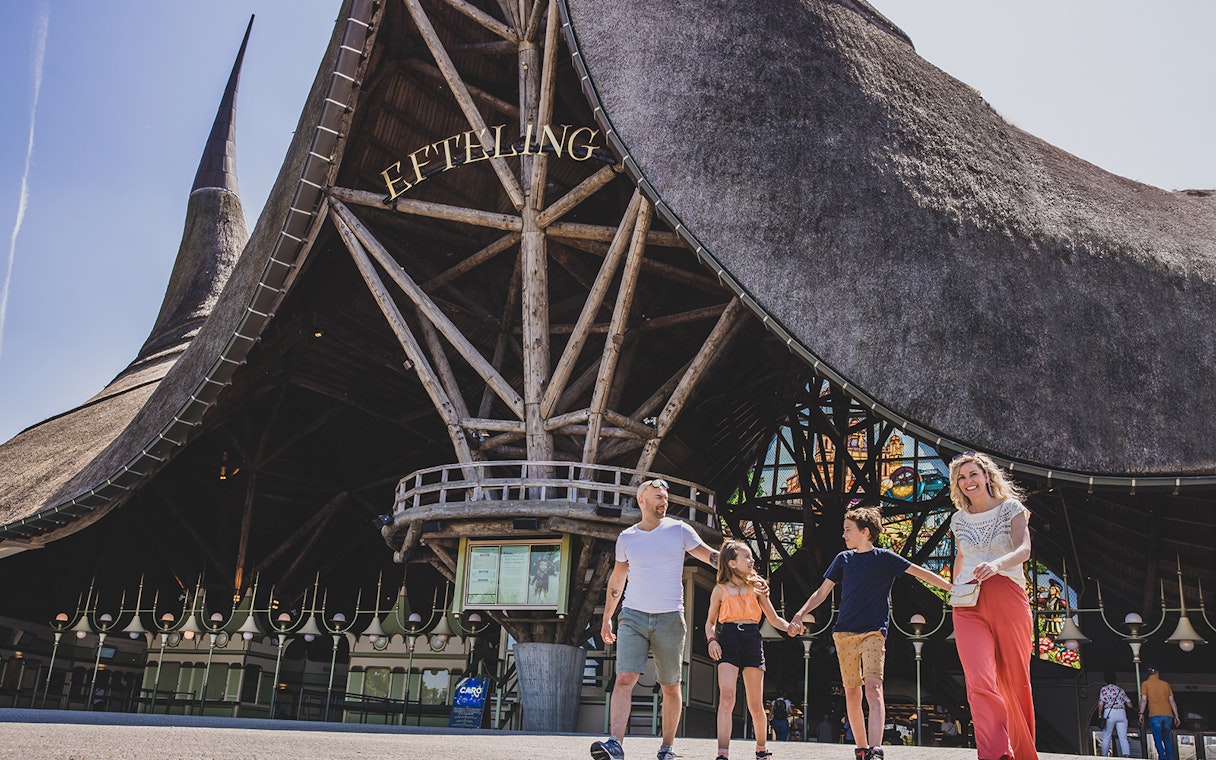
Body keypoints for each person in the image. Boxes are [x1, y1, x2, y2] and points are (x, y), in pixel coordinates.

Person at [788, 506, 953, 760]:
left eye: (847, 530)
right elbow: (822, 593)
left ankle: (876, 748)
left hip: (874, 633)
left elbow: (921, 574)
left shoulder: (886, 558)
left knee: (874, 687)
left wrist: (954, 588)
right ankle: (862, 748)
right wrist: (800, 613)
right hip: (844, 634)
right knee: (852, 693)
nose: (843, 535)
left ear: (865, 532)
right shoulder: (843, 559)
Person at [592, 478, 720, 760]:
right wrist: (607, 618)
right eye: (658, 498)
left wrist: (734, 562)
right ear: (642, 501)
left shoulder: (679, 530)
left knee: (670, 685)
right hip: (633, 616)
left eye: (665, 498)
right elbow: (618, 578)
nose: (664, 502)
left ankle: (667, 748)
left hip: (669, 616)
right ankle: (615, 743)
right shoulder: (627, 537)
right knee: (624, 677)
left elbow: (707, 555)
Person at [948, 452, 1036, 760]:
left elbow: (1024, 548)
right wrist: (953, 586)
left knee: (1015, 679)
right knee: (979, 680)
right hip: (967, 602)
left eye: (972, 474)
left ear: (987, 476)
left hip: (1006, 593)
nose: (967, 481)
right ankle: (996, 754)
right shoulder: (957, 519)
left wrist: (996, 564)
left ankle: (1024, 752)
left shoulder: (1011, 508)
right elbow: (960, 558)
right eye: (961, 477)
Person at [705, 540, 792, 760]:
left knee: (755, 703)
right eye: (746, 556)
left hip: (753, 638)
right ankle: (722, 753)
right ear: (732, 563)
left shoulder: (758, 586)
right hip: (729, 638)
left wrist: (790, 627)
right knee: (727, 697)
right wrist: (712, 640)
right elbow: (710, 623)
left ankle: (761, 749)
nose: (752, 560)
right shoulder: (720, 590)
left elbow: (773, 618)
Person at [1139, 666, 1180, 760]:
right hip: (1168, 714)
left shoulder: (1145, 684)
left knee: (1157, 738)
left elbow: (1144, 700)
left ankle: (1162, 757)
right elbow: (1172, 701)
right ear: (1157, 673)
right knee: (1167, 738)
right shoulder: (1165, 684)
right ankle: (1171, 758)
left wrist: (1141, 713)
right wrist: (1176, 716)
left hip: (1155, 714)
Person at [1098, 671, 1133, 757]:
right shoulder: (1120, 690)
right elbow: (1129, 704)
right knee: (1123, 736)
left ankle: (1104, 756)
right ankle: (1126, 755)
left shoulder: (1104, 689)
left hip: (1109, 713)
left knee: (1106, 736)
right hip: (1121, 713)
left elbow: (1101, 703)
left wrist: (1099, 714)